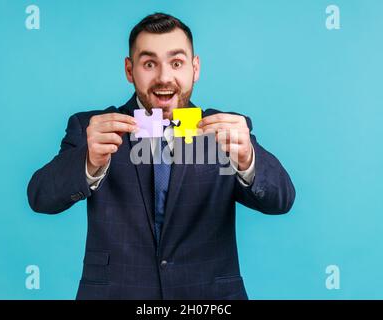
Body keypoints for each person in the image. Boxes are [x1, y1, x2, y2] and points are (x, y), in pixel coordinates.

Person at [27, 12, 296, 300]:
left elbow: (281, 200)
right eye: (149, 63)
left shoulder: (228, 130)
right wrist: (88, 161)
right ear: (130, 70)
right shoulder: (92, 128)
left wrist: (247, 159)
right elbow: (41, 198)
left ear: (195, 68)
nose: (164, 77)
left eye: (176, 63)